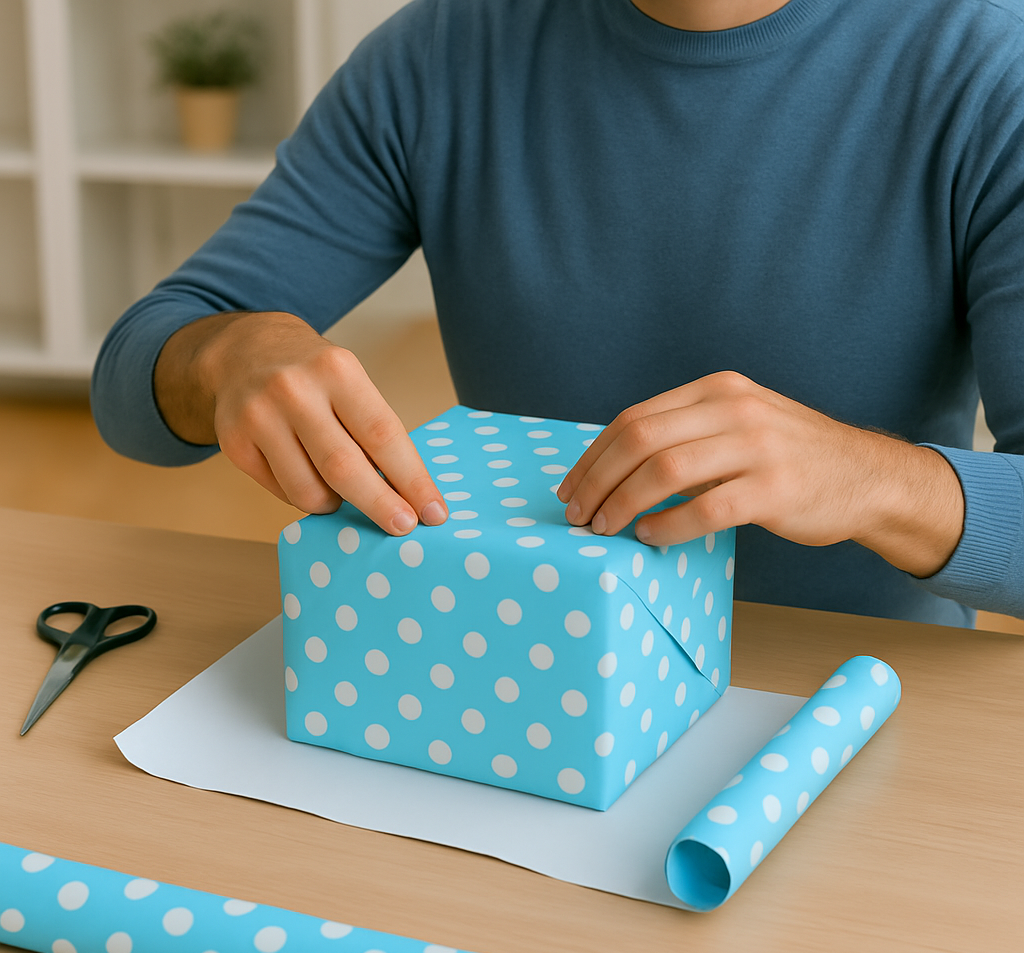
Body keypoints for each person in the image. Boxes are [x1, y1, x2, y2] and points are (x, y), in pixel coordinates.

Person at [92, 0, 1024, 628]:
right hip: (518, 683)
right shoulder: (443, 50)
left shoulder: (989, 65)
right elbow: (139, 378)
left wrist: (871, 479)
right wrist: (226, 355)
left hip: (852, 710)